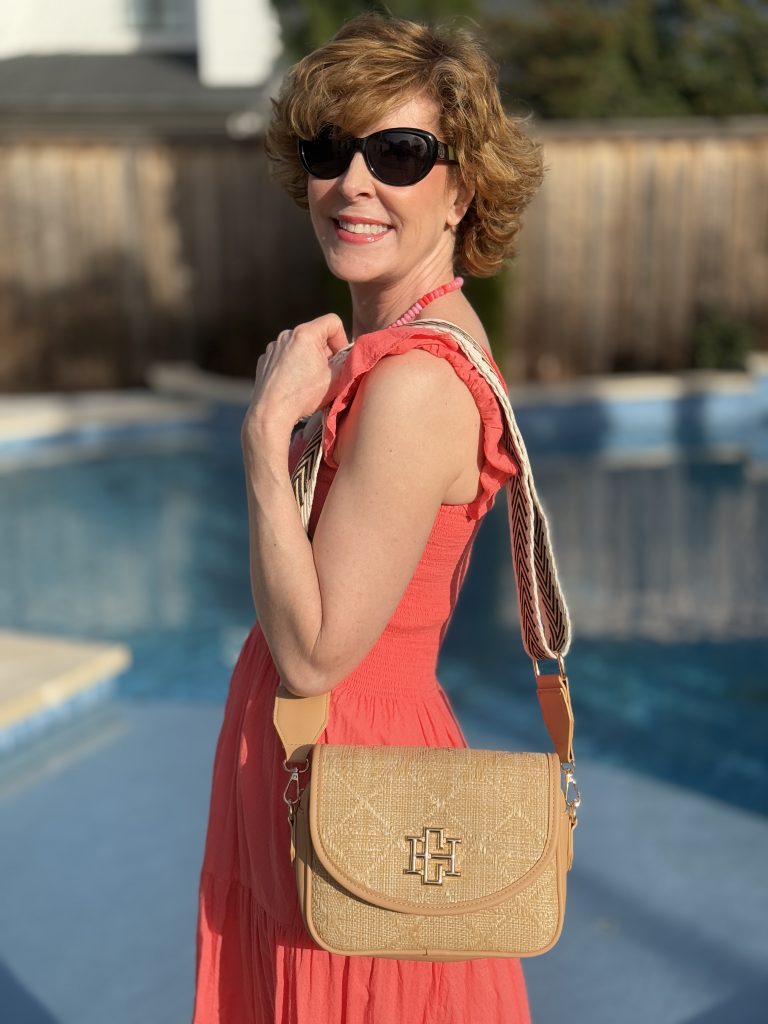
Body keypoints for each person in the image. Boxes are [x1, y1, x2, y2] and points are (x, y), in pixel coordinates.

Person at [191, 12, 545, 1023]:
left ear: (463, 186)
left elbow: (312, 656)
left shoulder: (417, 385)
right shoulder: (390, 353)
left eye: (399, 154)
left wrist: (265, 434)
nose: (354, 181)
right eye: (328, 150)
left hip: (350, 778)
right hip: (321, 766)